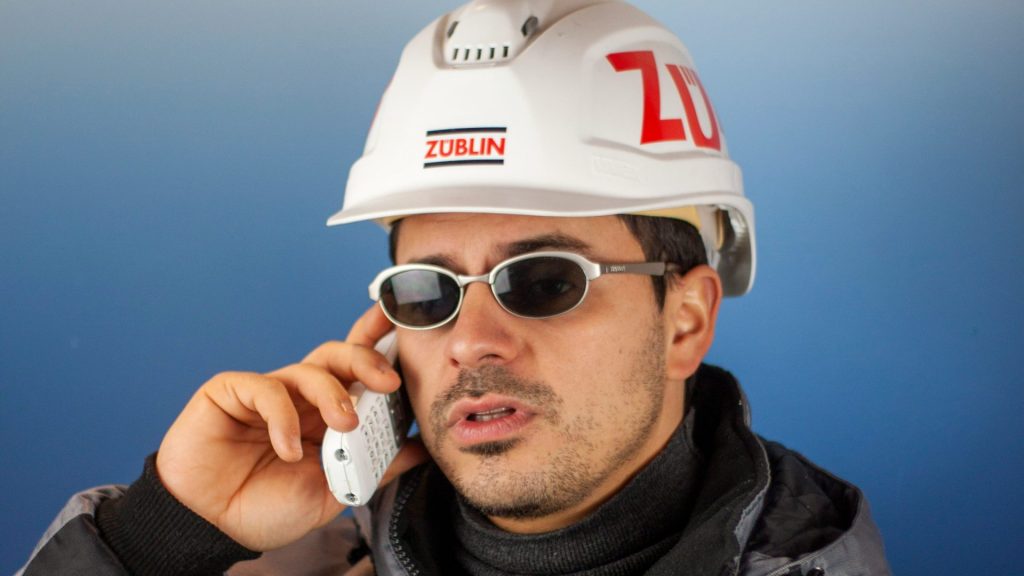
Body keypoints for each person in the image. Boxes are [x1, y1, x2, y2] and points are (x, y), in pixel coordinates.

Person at [19, 1, 890, 574]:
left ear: (685, 321)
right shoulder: (289, 554)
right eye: (428, 290)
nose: (471, 341)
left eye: (543, 281)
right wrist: (158, 537)